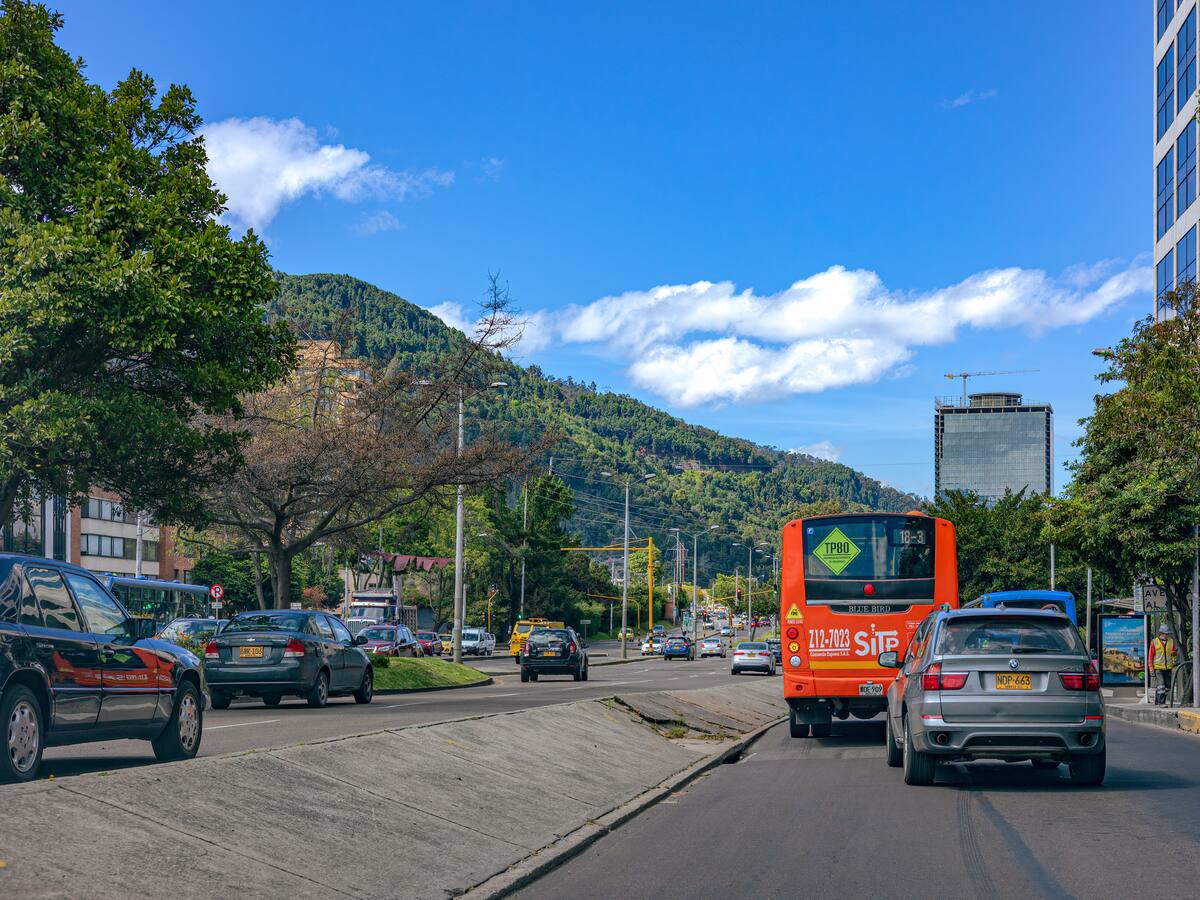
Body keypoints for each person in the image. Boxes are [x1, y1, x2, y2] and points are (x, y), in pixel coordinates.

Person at [1148, 624, 1179, 704]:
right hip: (1158, 668)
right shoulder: (1154, 642)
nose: (1167, 635)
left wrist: (1174, 654)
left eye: (1168, 633)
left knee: (1167, 687)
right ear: (1161, 633)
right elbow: (1150, 656)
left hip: (1168, 667)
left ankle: (1157, 701)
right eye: (1166, 633)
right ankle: (1161, 703)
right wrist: (1151, 668)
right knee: (1161, 686)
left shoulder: (1171, 641)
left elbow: (1174, 653)